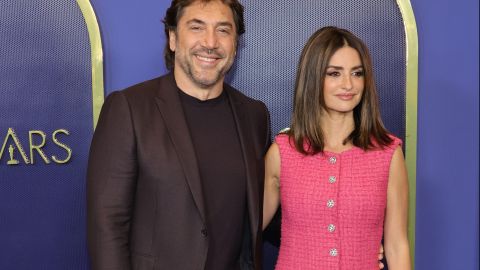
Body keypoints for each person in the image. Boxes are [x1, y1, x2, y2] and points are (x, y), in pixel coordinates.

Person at [86, 0, 270, 269]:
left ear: (235, 43)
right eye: (197, 27)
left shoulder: (254, 116)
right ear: (173, 38)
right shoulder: (129, 109)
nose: (210, 42)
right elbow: (107, 223)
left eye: (223, 30)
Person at [263, 26, 411, 269]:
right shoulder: (283, 152)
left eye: (357, 73)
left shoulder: (388, 153)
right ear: (313, 78)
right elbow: (246, 231)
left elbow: (397, 245)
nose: (348, 84)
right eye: (334, 73)